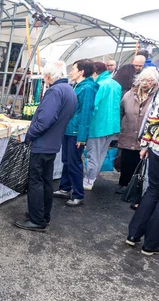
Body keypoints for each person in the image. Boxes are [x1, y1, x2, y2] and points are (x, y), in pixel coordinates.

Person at [14, 61, 77, 232]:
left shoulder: (55, 91)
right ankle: (43, 215)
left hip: (42, 144)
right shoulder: (69, 90)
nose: (44, 79)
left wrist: (29, 135)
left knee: (35, 182)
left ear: (49, 76)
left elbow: (44, 120)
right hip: (53, 143)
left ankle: (37, 220)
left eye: (45, 76)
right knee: (46, 182)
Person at [54, 59, 98, 207]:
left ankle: (78, 194)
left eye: (73, 69)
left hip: (75, 132)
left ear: (81, 71)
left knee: (74, 163)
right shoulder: (78, 86)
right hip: (68, 129)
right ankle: (65, 188)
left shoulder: (88, 89)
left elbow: (86, 113)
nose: (71, 72)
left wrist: (81, 137)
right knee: (66, 161)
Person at [126, 87, 159, 255]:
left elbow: (152, 119)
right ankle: (151, 243)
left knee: (153, 190)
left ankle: (134, 234)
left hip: (156, 146)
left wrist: (145, 144)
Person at [117, 67, 158, 193]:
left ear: (155, 82)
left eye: (149, 81)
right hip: (128, 133)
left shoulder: (156, 98)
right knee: (126, 161)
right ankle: (123, 183)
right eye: (143, 80)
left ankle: (136, 188)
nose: (145, 83)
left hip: (145, 137)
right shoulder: (129, 94)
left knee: (140, 163)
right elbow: (121, 112)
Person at [84, 62, 122, 190]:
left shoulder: (98, 85)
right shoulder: (116, 85)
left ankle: (89, 179)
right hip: (112, 126)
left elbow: (92, 106)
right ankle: (92, 177)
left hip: (98, 125)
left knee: (92, 155)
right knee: (101, 154)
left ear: (95, 72)